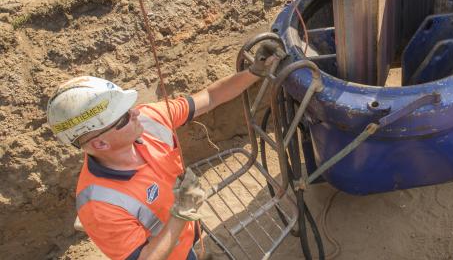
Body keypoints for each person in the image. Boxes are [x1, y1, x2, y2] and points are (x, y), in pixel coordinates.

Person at [46, 42, 282, 260]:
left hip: (188, 236)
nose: (136, 112)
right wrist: (182, 212)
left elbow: (210, 97)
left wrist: (253, 72)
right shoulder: (100, 205)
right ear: (100, 144)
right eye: (125, 116)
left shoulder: (148, 121)